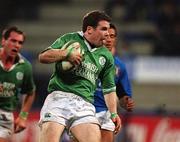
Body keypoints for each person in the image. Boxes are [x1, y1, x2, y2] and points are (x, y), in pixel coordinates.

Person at [38, 10, 121, 142]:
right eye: (103, 29)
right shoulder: (70, 38)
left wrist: (114, 113)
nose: (107, 33)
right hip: (59, 98)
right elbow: (43, 57)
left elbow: (109, 88)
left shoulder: (107, 56)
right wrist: (66, 54)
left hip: (85, 104)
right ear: (89, 30)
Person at [94, 23, 135, 142]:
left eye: (112, 36)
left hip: (106, 112)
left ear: (115, 39)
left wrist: (126, 102)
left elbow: (123, 97)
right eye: (106, 36)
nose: (108, 39)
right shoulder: (88, 58)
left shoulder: (120, 66)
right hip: (85, 109)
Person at [0, 26, 36, 142]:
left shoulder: (25, 66)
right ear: (3, 41)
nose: (16, 45)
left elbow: (30, 92)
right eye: (13, 41)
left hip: (5, 115)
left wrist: (23, 116)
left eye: (20, 42)